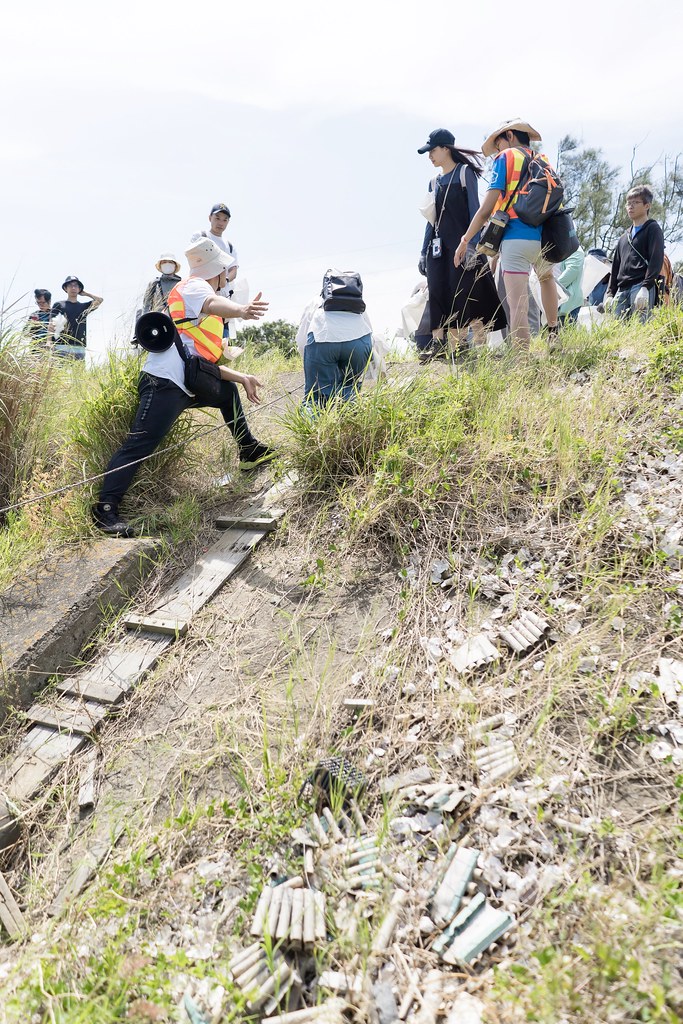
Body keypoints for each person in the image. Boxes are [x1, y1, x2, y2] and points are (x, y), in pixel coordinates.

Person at [93, 238, 274, 537]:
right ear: (216, 271)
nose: (224, 281)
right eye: (224, 274)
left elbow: (200, 363)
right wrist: (241, 310)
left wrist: (241, 377)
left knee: (226, 392)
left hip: (188, 382)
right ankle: (106, 509)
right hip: (163, 383)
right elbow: (213, 303)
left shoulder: (201, 308)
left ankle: (249, 450)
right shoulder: (196, 286)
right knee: (140, 445)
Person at [454, 118, 560, 349]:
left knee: (517, 305)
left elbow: (486, 209)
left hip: (515, 237)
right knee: (546, 279)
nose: (497, 151)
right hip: (545, 237)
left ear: (509, 136)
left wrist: (465, 239)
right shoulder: (542, 160)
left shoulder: (506, 158)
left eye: (499, 144)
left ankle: (522, 359)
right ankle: (554, 336)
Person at [417, 129, 505, 359]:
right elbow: (431, 220)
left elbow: (476, 211)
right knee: (436, 292)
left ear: (446, 148)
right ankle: (438, 346)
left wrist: (473, 246)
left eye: (433, 151)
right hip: (437, 249)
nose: (430, 156)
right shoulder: (433, 183)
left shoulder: (465, 173)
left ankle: (462, 347)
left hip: (463, 246)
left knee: (465, 295)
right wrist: (422, 251)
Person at [295, 271, 373, 406]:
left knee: (316, 399)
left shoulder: (315, 301)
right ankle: (352, 424)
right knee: (350, 390)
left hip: (322, 340)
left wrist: (311, 365)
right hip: (359, 343)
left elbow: (302, 341)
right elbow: (370, 332)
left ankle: (314, 426)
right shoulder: (357, 304)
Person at [604, 185, 665, 322]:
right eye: (628, 203)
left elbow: (656, 259)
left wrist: (646, 287)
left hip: (640, 286)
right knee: (618, 334)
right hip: (621, 290)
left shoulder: (653, 229)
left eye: (635, 202)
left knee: (640, 330)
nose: (630, 206)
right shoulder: (624, 237)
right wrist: (610, 293)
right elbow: (616, 267)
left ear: (647, 205)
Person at [191, 203, 239, 337]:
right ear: (210, 218)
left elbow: (233, 269)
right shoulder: (200, 236)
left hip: (222, 295)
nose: (221, 223)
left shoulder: (229, 246)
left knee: (221, 337)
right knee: (198, 335)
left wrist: (223, 280)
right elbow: (195, 259)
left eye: (225, 220)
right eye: (217, 218)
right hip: (201, 293)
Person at [49, 276, 103, 359]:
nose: (73, 288)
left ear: (79, 289)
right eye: (70, 285)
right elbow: (51, 324)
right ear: (65, 288)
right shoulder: (59, 305)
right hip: (61, 345)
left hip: (79, 347)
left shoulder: (84, 307)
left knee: (78, 371)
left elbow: (100, 300)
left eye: (76, 286)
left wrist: (86, 294)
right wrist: (49, 341)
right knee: (60, 371)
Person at [556, 246, 585, 325]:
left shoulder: (575, 250)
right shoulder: (566, 249)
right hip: (560, 298)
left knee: (563, 333)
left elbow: (572, 270)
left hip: (568, 301)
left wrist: (553, 288)